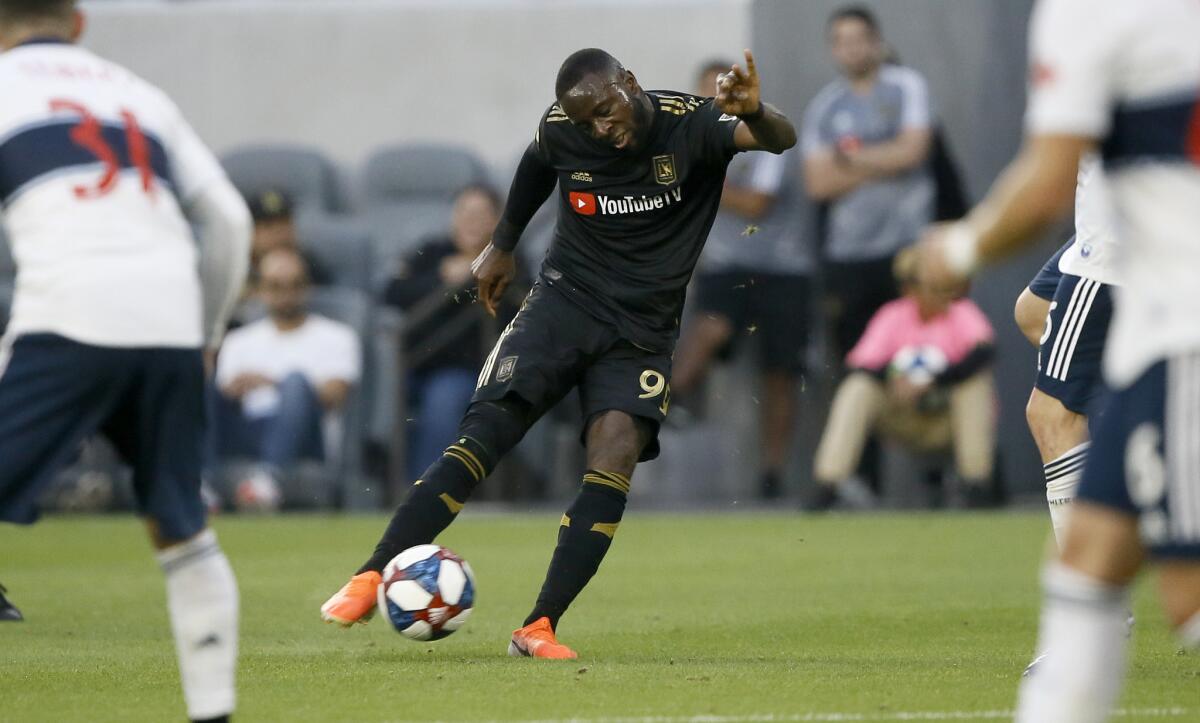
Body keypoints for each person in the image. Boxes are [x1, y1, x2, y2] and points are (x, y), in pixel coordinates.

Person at [321, 47, 797, 658]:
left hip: (643, 331)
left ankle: (539, 625)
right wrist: (501, 245)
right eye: (588, 121)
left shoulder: (693, 123)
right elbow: (536, 162)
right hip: (562, 307)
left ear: (629, 83)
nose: (601, 127)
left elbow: (777, 140)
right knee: (483, 436)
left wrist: (757, 110)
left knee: (616, 453)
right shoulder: (564, 128)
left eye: (606, 110)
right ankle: (369, 576)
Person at [916, 0, 1200, 719]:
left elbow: (1043, 182)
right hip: (1114, 246)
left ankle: (1155, 437)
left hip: (1135, 269)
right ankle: (1146, 437)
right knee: (1033, 315)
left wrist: (956, 249)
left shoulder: (1089, 13)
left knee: (1053, 411)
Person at [0, 0, 250, 720]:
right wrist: (203, 337)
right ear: (78, 22)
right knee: (181, 527)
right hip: (171, 324)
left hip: (68, 321)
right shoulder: (140, 94)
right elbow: (229, 221)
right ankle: (214, 710)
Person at [672, 59, 812, 500]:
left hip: (784, 267)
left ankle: (772, 471)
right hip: (728, 264)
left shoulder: (758, 131)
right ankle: (665, 402)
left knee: (780, 373)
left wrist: (693, 178)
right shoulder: (688, 139)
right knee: (709, 327)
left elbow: (756, 204)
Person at [807, 249, 996, 510]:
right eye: (930, 284)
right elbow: (858, 365)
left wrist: (934, 380)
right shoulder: (892, 315)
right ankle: (828, 484)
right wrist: (896, 379)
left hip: (945, 417)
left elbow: (984, 353)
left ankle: (976, 485)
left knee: (975, 385)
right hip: (902, 413)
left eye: (942, 283)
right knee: (857, 388)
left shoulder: (960, 310)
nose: (939, 291)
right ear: (909, 288)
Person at [801, 5, 935, 358]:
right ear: (833, 48)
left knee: (917, 360)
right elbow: (817, 184)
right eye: (843, 41)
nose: (853, 48)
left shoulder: (907, 86)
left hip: (909, 247)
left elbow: (913, 152)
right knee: (860, 362)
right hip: (850, 253)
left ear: (877, 42)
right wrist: (886, 158)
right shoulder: (824, 108)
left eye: (860, 39)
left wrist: (846, 160)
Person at [383, 184, 527, 481]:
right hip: (416, 362)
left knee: (444, 397)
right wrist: (441, 278)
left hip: (471, 368)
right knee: (382, 389)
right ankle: (373, 480)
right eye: (464, 212)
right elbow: (393, 293)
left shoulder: (512, 259)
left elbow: (520, 308)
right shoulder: (433, 252)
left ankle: (426, 490)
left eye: (481, 214)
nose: (471, 222)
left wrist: (476, 275)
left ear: (498, 220)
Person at [211, 248, 360, 510]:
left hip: (304, 434)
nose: (286, 294)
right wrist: (235, 388)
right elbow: (221, 397)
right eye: (275, 286)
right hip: (249, 427)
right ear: (260, 290)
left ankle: (267, 479)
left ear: (308, 287)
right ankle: (199, 483)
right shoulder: (238, 341)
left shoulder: (337, 336)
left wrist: (274, 383)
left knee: (295, 382)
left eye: (295, 285)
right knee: (204, 387)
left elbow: (336, 395)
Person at [243, 188, 332, 288]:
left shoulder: (309, 265)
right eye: (269, 226)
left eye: (284, 223)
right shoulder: (239, 269)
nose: (279, 233)